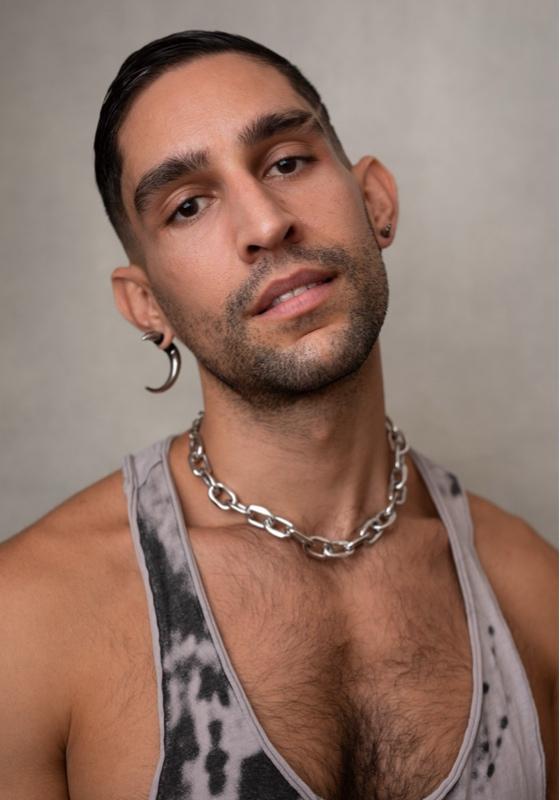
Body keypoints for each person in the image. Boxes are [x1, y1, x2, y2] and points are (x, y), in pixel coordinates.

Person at [0, 30, 556, 800]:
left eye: (287, 162)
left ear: (375, 201)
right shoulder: (28, 624)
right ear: (147, 303)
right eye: (189, 205)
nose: (265, 222)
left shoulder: (531, 590)